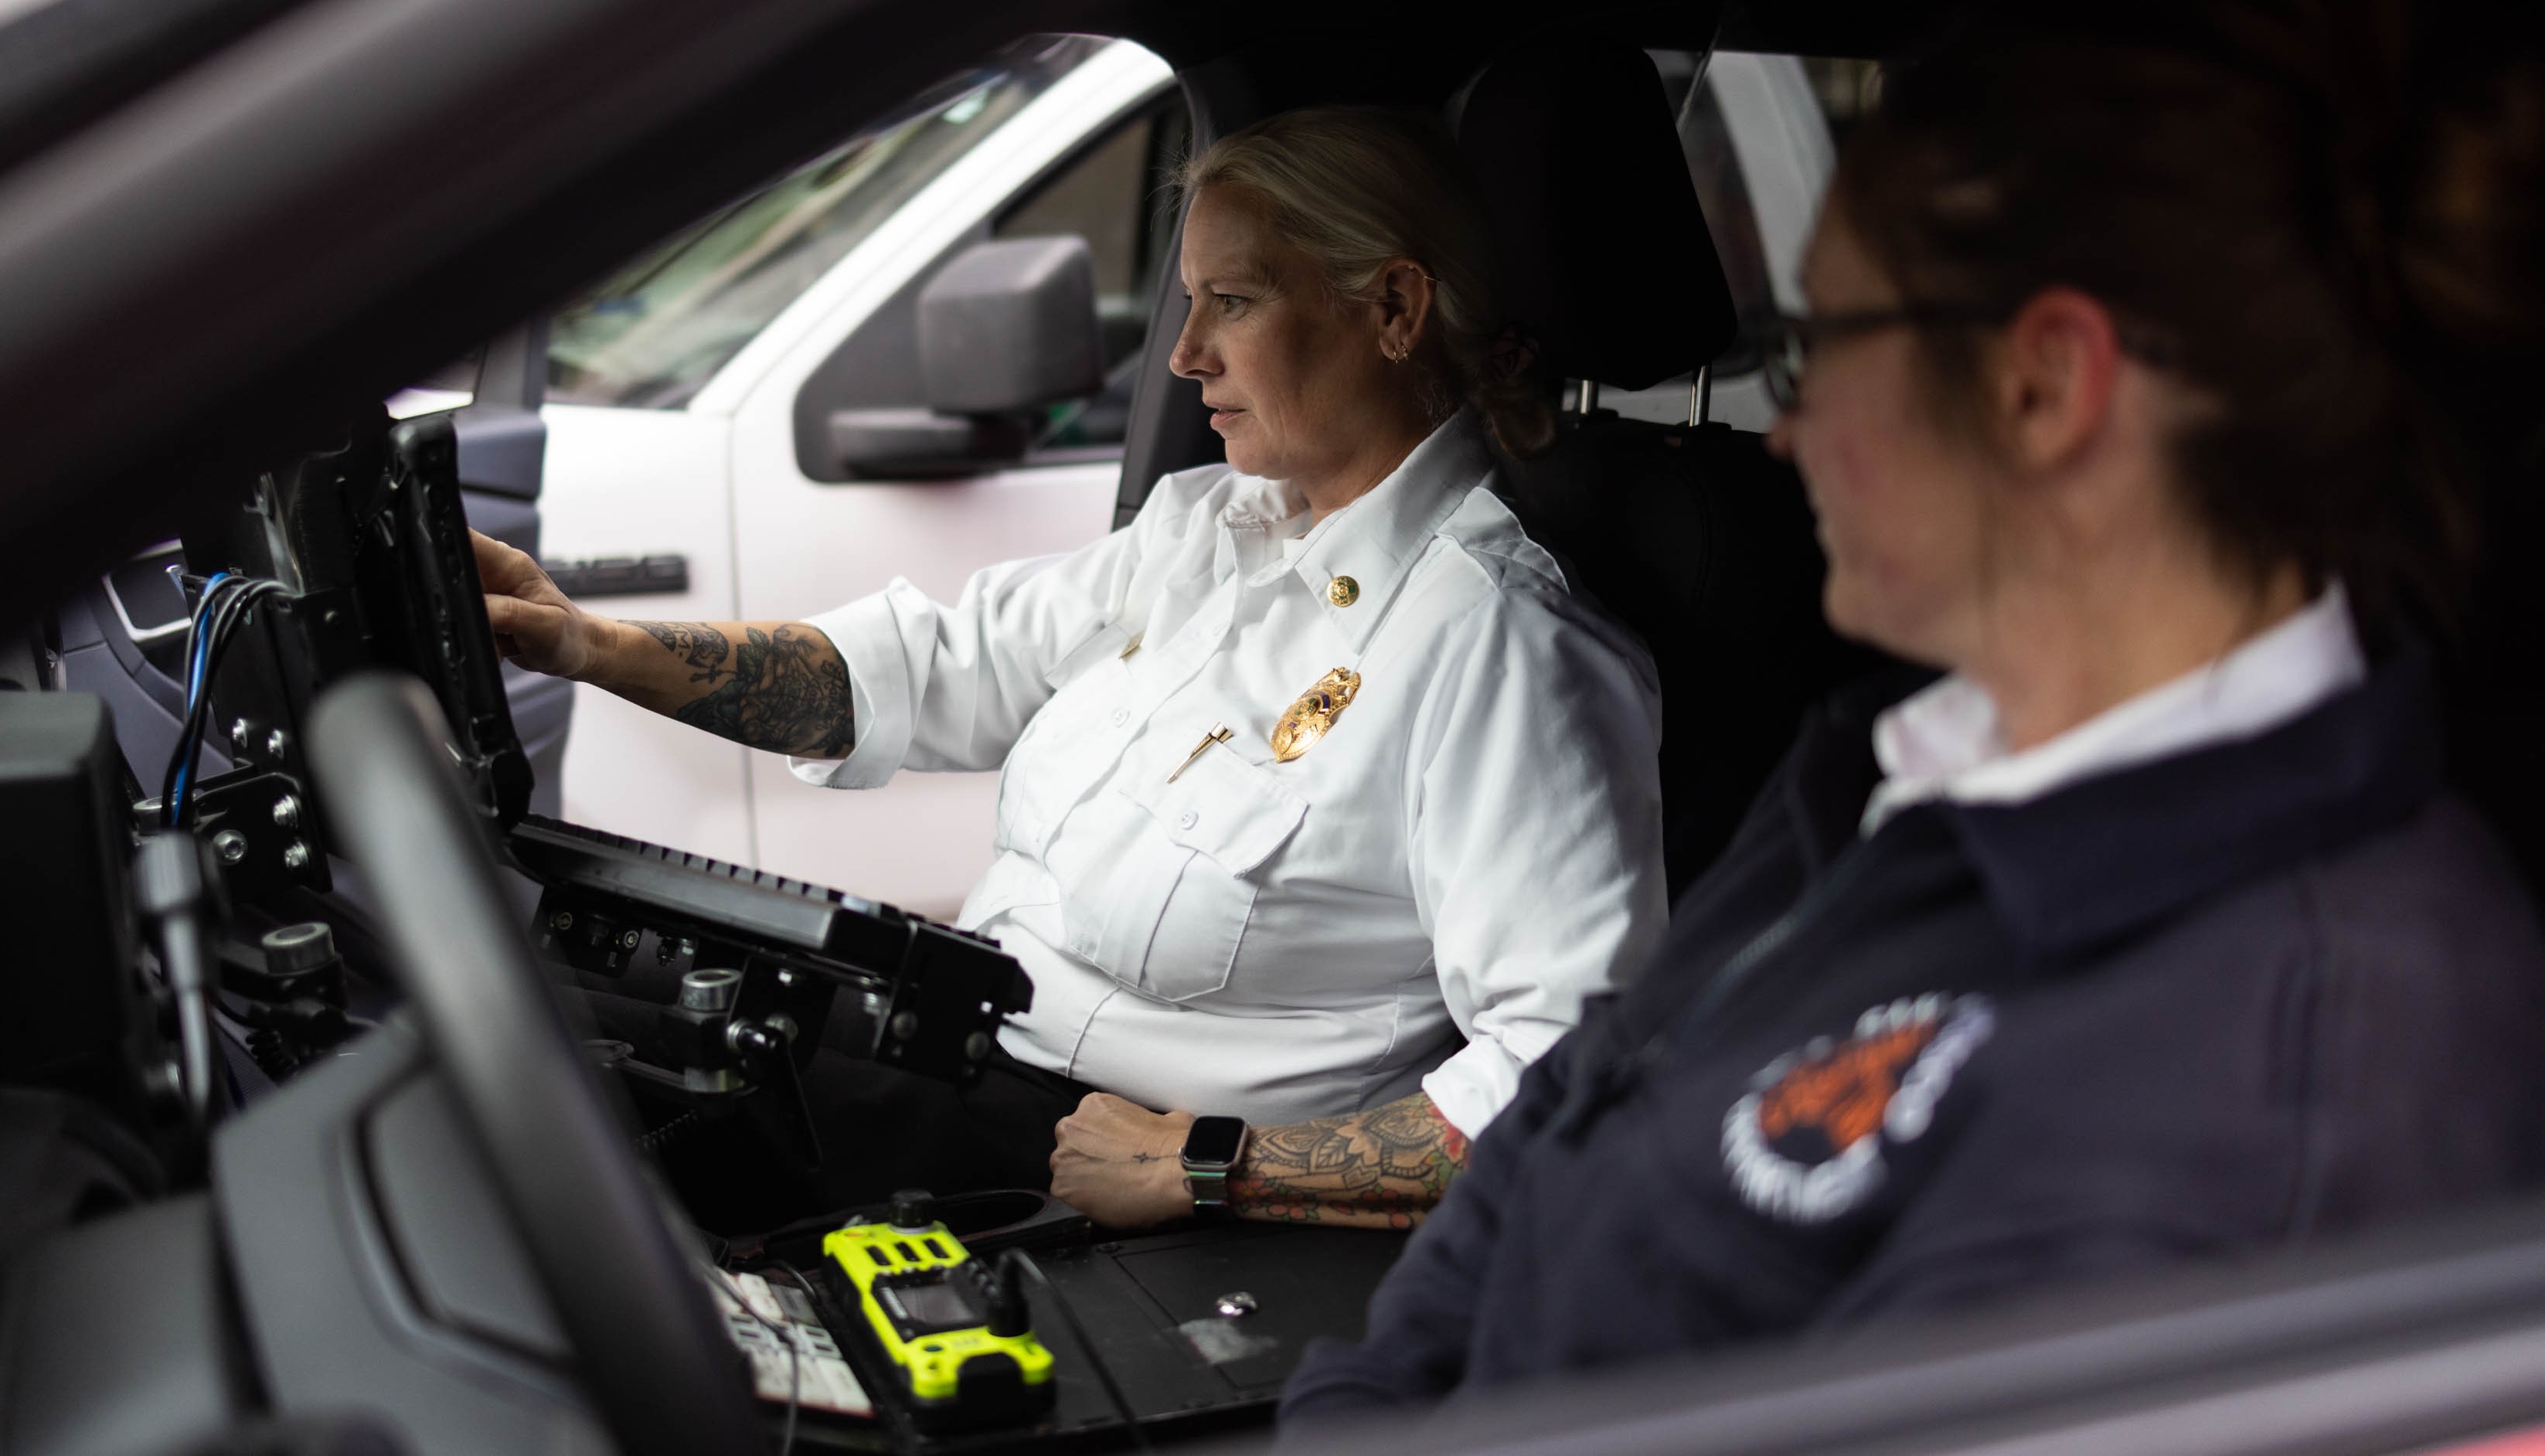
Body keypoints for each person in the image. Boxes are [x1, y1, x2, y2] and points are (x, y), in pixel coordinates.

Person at [1281, 0, 2545, 1417]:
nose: (1788, 427)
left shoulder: (2290, 1060)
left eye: (1821, 346)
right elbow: (1564, 1119)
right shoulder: (1886, 768)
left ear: (2042, 386)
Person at [478, 105, 1665, 1230]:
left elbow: (1573, 1063)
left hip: (1074, 1155)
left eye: (1233, 303)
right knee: (508, 1006)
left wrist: (1208, 1166)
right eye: (1189, 303)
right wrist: (594, 646)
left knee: (528, 1128)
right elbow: (933, 668)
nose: (1187, 354)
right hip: (952, 1026)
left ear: (1395, 308)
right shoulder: (1205, 529)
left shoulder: (1496, 647)